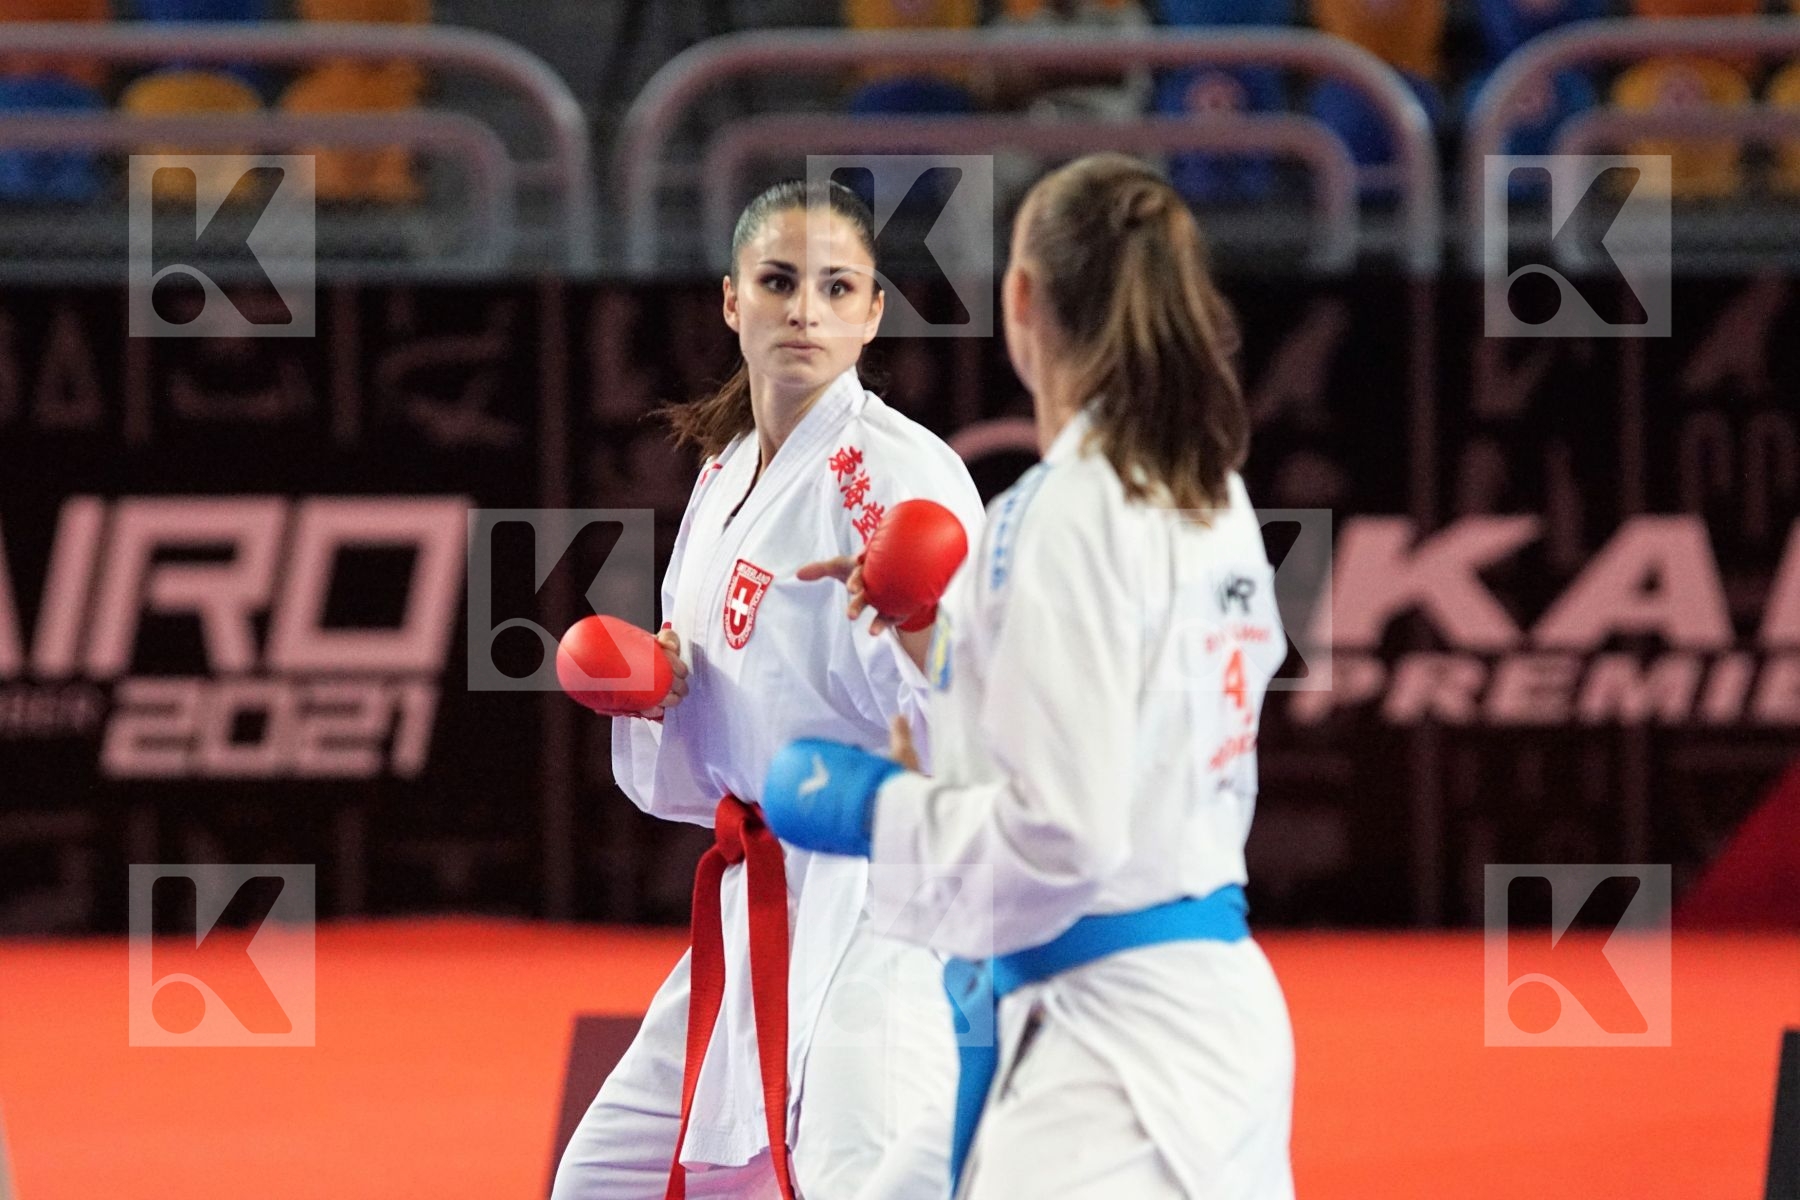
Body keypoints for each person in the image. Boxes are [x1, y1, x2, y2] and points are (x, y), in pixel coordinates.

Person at [762, 152, 1297, 1199]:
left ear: (1022, 299)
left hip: (1118, 1060)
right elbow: (1110, 710)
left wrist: (879, 809)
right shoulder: (1205, 493)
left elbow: (1068, 827)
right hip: (1174, 1015)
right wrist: (932, 639)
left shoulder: (1062, 514)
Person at [550, 179, 984, 1200]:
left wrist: (915, 623)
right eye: (780, 282)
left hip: (882, 892)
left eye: (838, 287)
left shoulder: (896, 472)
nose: (806, 309)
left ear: (874, 312)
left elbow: (970, 725)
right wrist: (662, 691)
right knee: (603, 1178)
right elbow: (699, 766)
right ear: (732, 301)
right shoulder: (724, 469)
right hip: (767, 884)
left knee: (868, 1177)